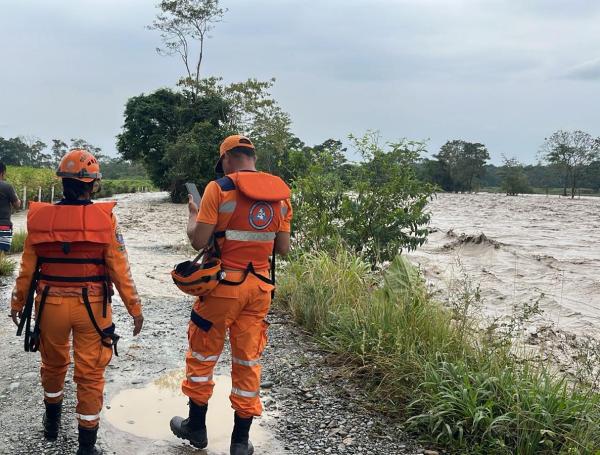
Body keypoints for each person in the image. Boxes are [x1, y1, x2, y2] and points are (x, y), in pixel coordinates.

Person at [10, 149, 144, 455]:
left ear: (63, 181)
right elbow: (119, 269)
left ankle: (52, 425)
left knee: (53, 366)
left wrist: (17, 305)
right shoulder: (105, 219)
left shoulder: (39, 219)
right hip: (93, 310)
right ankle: (86, 447)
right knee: (91, 374)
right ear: (93, 183)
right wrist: (135, 309)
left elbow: (27, 270)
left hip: (49, 307)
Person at [170, 135, 293, 455]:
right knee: (248, 360)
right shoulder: (281, 195)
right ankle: (240, 441)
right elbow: (282, 248)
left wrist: (192, 216)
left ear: (226, 159)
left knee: (202, 355)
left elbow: (199, 242)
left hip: (222, 288)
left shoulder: (219, 188)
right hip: (260, 289)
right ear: (252, 157)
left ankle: (196, 427)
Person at [0, 162, 22, 253]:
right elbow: (17, 205)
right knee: (2, 255)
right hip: (3, 225)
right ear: (2, 173)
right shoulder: (7, 186)